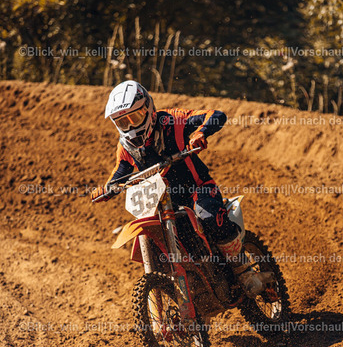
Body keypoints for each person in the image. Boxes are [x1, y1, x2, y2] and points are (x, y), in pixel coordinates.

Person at [92, 80, 265, 297]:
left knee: (210, 217)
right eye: (122, 122)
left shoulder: (172, 120)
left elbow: (215, 115)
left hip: (197, 189)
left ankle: (243, 270)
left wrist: (201, 133)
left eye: (134, 118)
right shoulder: (125, 146)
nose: (130, 127)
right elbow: (120, 171)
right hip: (162, 203)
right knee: (156, 240)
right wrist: (107, 189)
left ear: (148, 109)